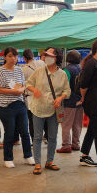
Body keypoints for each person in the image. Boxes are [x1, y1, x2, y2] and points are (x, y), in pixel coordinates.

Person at [26, 47, 70, 175]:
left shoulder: (62, 74)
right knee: (37, 137)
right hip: (38, 108)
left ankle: (49, 161)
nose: (47, 57)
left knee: (52, 137)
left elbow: (67, 91)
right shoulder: (39, 71)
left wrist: (61, 98)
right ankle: (38, 163)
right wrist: (34, 90)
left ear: (57, 58)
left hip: (53, 109)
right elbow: (28, 83)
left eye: (50, 55)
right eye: (46, 55)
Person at [0, 47, 34, 168]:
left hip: (20, 104)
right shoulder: (0, 70)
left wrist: (20, 90)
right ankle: (8, 158)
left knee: (25, 132)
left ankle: (28, 155)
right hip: (6, 106)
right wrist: (14, 91)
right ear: (5, 57)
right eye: (10, 56)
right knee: (10, 133)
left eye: (15, 56)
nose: (13, 59)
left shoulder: (19, 70)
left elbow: (23, 85)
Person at [78, 39, 97, 168]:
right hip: (92, 102)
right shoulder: (91, 64)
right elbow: (83, 84)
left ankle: (84, 155)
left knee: (92, 128)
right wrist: (83, 99)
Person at [58, 50, 84, 153]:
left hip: (69, 101)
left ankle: (66, 145)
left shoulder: (66, 70)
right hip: (80, 100)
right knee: (77, 124)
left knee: (66, 124)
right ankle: (76, 144)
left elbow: (64, 86)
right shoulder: (81, 69)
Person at [22, 49, 45, 141]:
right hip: (42, 95)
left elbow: (23, 84)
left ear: (24, 58)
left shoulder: (23, 69)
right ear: (32, 56)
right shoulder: (41, 63)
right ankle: (45, 136)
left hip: (30, 97)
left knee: (31, 120)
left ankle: (34, 139)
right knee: (43, 117)